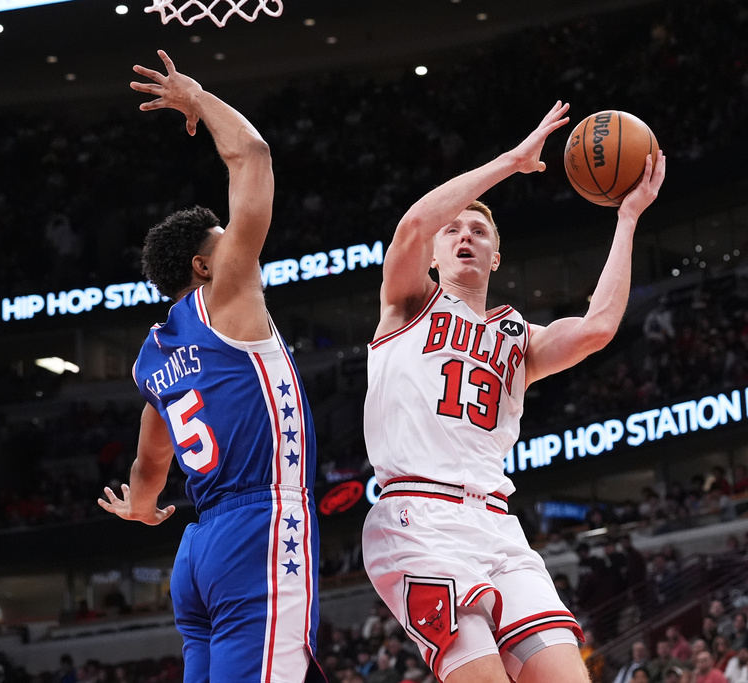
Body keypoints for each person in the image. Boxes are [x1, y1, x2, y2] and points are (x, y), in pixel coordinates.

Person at [360, 100, 666, 683]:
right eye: (454, 232)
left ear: (497, 256)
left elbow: (598, 327)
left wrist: (627, 219)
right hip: (416, 518)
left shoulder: (516, 336)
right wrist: (512, 161)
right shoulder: (406, 304)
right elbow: (412, 227)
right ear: (434, 254)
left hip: (497, 525)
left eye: (479, 231)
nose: (465, 237)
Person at [97, 51, 324, 683]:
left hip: (196, 554)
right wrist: (197, 98)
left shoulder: (155, 355)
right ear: (203, 266)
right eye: (224, 239)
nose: (240, 246)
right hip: (257, 525)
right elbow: (252, 156)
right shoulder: (225, 296)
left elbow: (150, 463)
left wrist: (141, 509)